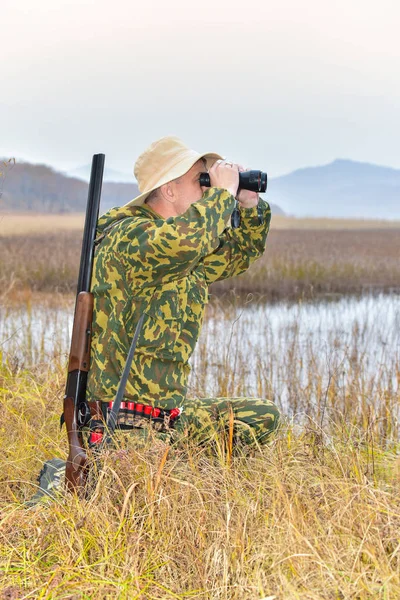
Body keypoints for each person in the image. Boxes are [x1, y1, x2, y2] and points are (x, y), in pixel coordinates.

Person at [86, 135, 280, 447]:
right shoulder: (129, 236)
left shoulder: (189, 250)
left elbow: (241, 252)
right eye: (200, 180)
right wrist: (221, 194)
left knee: (261, 415)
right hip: (122, 423)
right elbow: (185, 241)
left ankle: (198, 469)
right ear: (169, 189)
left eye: (208, 180)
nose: (206, 187)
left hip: (168, 418)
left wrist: (248, 205)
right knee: (151, 469)